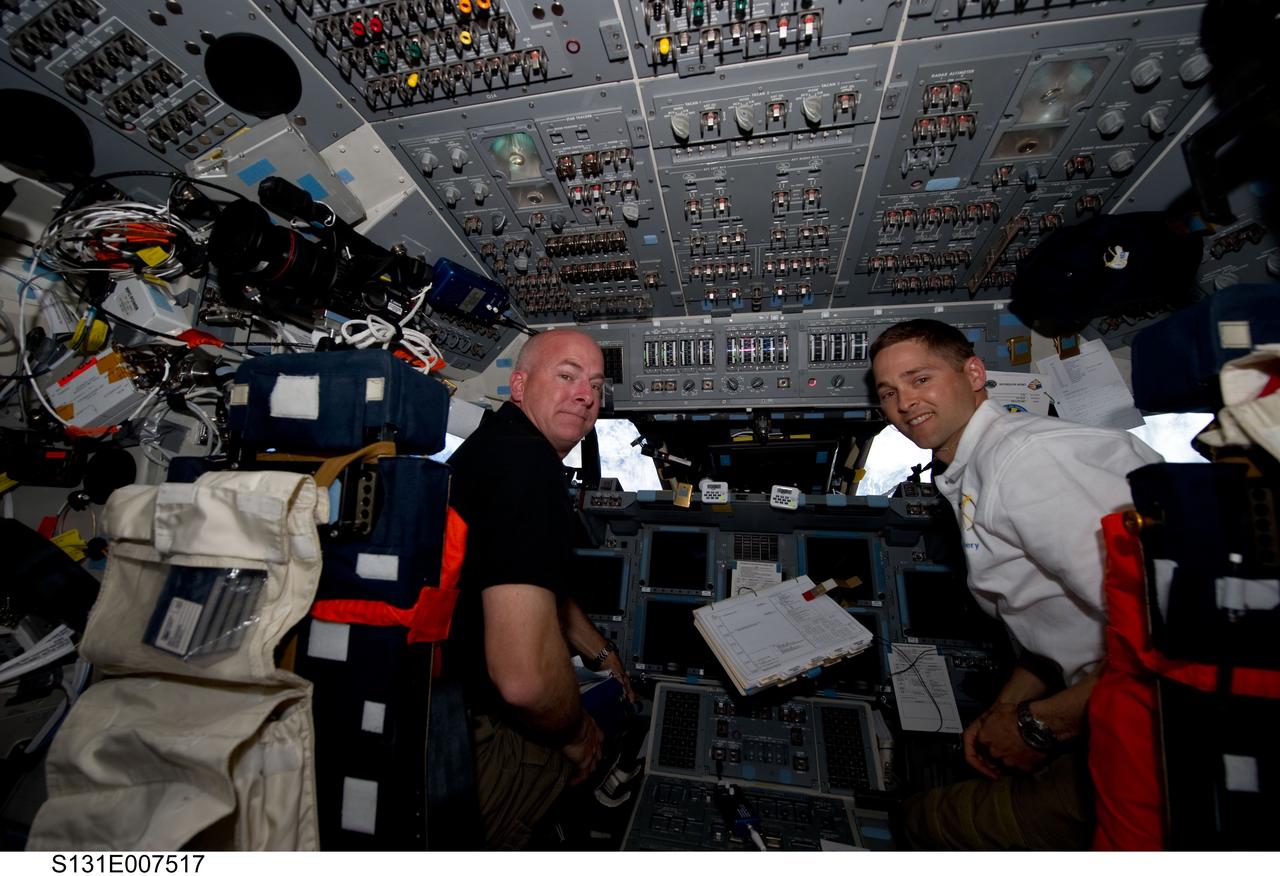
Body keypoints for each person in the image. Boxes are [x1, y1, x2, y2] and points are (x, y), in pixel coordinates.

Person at [869, 319, 1162, 850]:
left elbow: (1163, 636)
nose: (904, 402)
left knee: (924, 821)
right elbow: (1055, 616)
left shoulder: (1033, 461)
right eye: (889, 392)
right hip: (1098, 700)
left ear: (974, 373)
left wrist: (1037, 726)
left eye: (919, 379)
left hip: (1152, 737)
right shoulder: (978, 469)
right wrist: (1008, 707)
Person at [447, 328, 635, 850]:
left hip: (437, 701)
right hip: (471, 730)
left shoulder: (496, 449)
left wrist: (599, 650)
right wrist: (578, 738)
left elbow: (529, 575)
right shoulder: (528, 469)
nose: (586, 395)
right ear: (519, 386)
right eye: (568, 376)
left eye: (595, 385)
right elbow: (524, 680)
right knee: (604, 733)